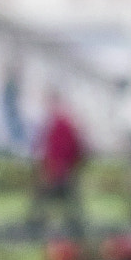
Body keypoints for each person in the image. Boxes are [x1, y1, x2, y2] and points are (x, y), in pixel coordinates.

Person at [32, 93, 86, 227]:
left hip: (60, 169)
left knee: (51, 198)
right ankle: (74, 225)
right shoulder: (58, 123)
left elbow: (67, 148)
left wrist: (61, 166)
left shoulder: (61, 123)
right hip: (59, 168)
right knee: (63, 200)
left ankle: (36, 224)